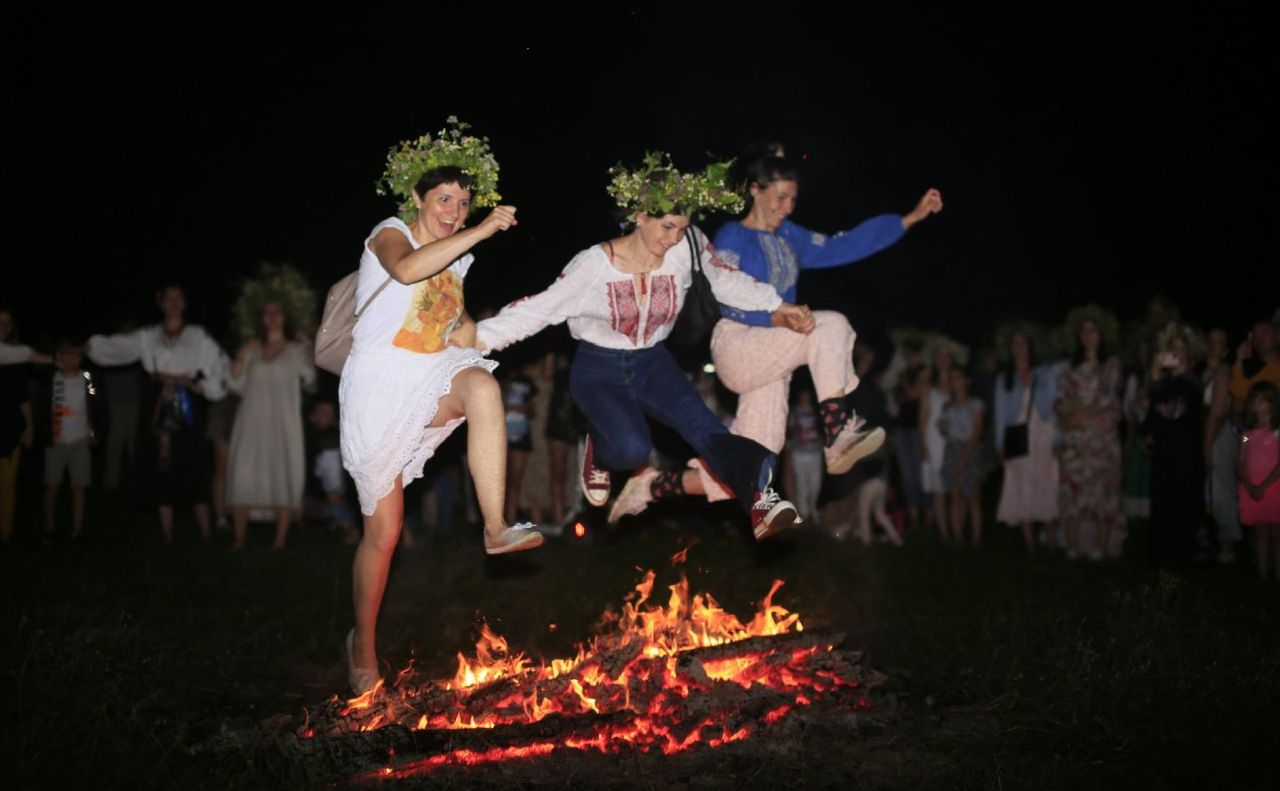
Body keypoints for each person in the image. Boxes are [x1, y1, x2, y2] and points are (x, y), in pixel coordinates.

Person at [473, 152, 809, 539]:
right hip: (598, 368)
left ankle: (760, 501)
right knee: (633, 449)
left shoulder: (685, 247)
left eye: (682, 229)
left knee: (706, 428)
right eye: (666, 227)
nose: (673, 239)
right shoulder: (595, 265)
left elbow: (726, 280)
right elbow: (539, 309)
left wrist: (777, 305)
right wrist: (476, 340)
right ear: (641, 216)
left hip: (652, 362)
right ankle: (600, 448)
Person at [343, 122, 542, 695]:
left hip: (426, 376)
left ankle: (496, 527)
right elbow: (408, 270)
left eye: (463, 202)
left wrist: (480, 328)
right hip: (378, 386)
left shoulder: (459, 262)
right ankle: (362, 643)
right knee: (384, 533)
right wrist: (480, 231)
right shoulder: (390, 232)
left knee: (482, 386)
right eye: (444, 200)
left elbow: (460, 326)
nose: (454, 212)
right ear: (417, 198)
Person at [708, 150, 942, 474]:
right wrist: (773, 316)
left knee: (757, 458)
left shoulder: (790, 236)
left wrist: (907, 220)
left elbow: (842, 245)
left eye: (793, 199)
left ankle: (657, 485)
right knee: (829, 324)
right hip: (738, 343)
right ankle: (837, 433)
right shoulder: (733, 235)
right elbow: (722, 292)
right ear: (755, 190)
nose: (788, 208)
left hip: (773, 354)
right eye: (781, 197)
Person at [87, 285, 230, 544]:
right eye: (169, 298)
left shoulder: (197, 335)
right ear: (160, 302)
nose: (174, 302)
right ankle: (167, 537)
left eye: (179, 297)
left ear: (184, 303)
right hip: (156, 400)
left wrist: (200, 387)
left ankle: (206, 535)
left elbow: (220, 366)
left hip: (185, 400)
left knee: (191, 460)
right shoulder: (148, 335)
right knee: (160, 462)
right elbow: (115, 348)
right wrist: (86, 347)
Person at [226, 300, 317, 550]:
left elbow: (310, 382)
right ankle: (239, 538)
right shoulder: (252, 349)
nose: (272, 316)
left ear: (285, 317)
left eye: (277, 311)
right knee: (244, 470)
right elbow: (233, 384)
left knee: (282, 469)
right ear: (261, 318)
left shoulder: (295, 350)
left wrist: (310, 351)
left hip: (283, 422)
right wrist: (242, 353)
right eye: (267, 312)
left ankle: (280, 541)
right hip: (251, 421)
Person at [1055, 307, 1124, 560]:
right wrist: (1073, 418)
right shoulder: (1068, 369)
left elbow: (1105, 399)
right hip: (1075, 441)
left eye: (1092, 330)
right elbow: (1060, 403)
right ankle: (1074, 546)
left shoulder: (1111, 366)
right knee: (1073, 493)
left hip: (1102, 442)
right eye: (1083, 331)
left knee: (1102, 493)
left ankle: (1101, 547)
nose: (1088, 335)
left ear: (1101, 334)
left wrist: (1076, 413)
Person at [993, 325, 1061, 555]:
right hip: (1017, 435)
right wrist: (1000, 445)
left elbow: (1053, 407)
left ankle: (1051, 543)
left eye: (1022, 342)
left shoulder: (1044, 374)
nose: (1019, 347)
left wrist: (1057, 438)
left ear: (1030, 346)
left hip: (1042, 432)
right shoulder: (1004, 379)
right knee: (1021, 485)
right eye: (1014, 343)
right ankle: (1030, 545)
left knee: (1047, 483)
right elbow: (1000, 415)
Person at [1144, 323, 1205, 568]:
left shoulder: (1194, 381)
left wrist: (1173, 376)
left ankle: (1185, 555)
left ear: (1189, 354)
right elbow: (1153, 410)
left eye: (1181, 350)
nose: (1177, 354)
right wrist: (1155, 374)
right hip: (1163, 453)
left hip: (1186, 453)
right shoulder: (1162, 380)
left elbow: (1190, 405)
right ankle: (1161, 556)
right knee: (1161, 501)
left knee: (1184, 501)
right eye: (1173, 349)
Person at [39, 340, 102, 540]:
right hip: (56, 439)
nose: (72, 359)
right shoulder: (51, 378)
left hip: (80, 440)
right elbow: (40, 406)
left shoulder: (87, 378)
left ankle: (77, 530)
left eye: (77, 355)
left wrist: (94, 431)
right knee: (52, 486)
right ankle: (49, 525)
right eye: (68, 354)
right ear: (59, 356)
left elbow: (95, 401)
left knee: (79, 487)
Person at [0, 308, 50, 543]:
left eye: (7, 323)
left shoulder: (16, 359)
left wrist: (29, 427)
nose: (3, 327)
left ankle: (5, 532)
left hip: (10, 426)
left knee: (7, 484)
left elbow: (23, 396)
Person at [1202, 327, 1241, 562]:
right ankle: (1212, 540)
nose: (1212, 346)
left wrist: (1207, 446)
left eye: (1217, 342)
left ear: (1225, 350)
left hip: (1219, 435)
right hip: (1207, 433)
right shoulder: (1205, 372)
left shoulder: (1224, 373)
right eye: (1210, 341)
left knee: (1221, 488)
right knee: (1209, 489)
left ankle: (1228, 544)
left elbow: (1218, 414)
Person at [1237, 381, 1280, 580]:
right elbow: (1240, 460)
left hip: (1274, 487)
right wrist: (1249, 484)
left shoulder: (1277, 431)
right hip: (1252, 486)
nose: (1256, 405)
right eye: (1254, 400)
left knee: (1277, 533)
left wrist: (1264, 485)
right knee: (1260, 532)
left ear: (1272, 403)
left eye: (1261, 400)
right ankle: (1262, 576)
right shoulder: (1247, 433)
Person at [939, 365, 986, 547]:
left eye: (958, 377)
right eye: (952, 378)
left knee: (972, 495)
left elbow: (977, 432)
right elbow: (946, 431)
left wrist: (965, 457)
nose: (954, 381)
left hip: (970, 448)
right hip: (952, 449)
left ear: (966, 381)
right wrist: (942, 428)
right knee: (955, 494)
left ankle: (976, 538)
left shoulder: (975, 404)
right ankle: (957, 536)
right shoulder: (947, 406)